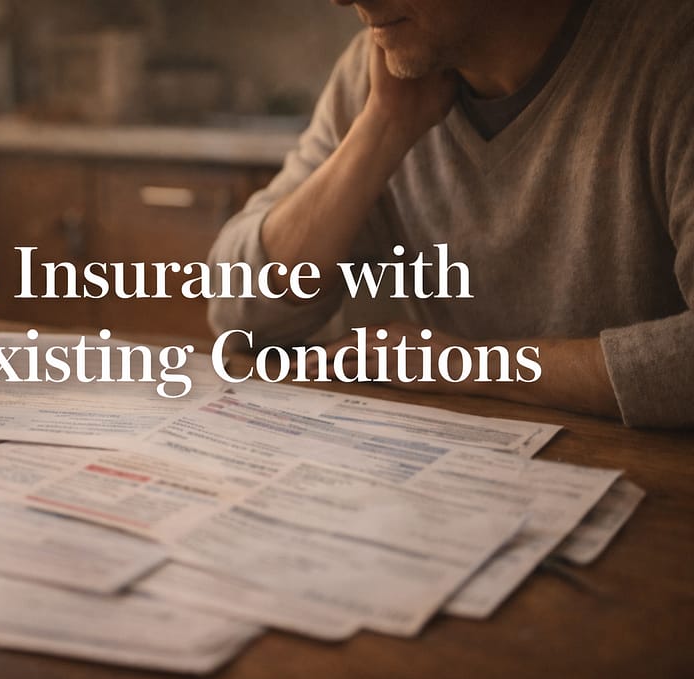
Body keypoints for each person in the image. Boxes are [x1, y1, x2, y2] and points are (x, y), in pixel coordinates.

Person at [206, 0, 693, 428]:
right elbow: (235, 312)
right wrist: (383, 128)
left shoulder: (672, 53)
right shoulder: (380, 72)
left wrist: (469, 365)